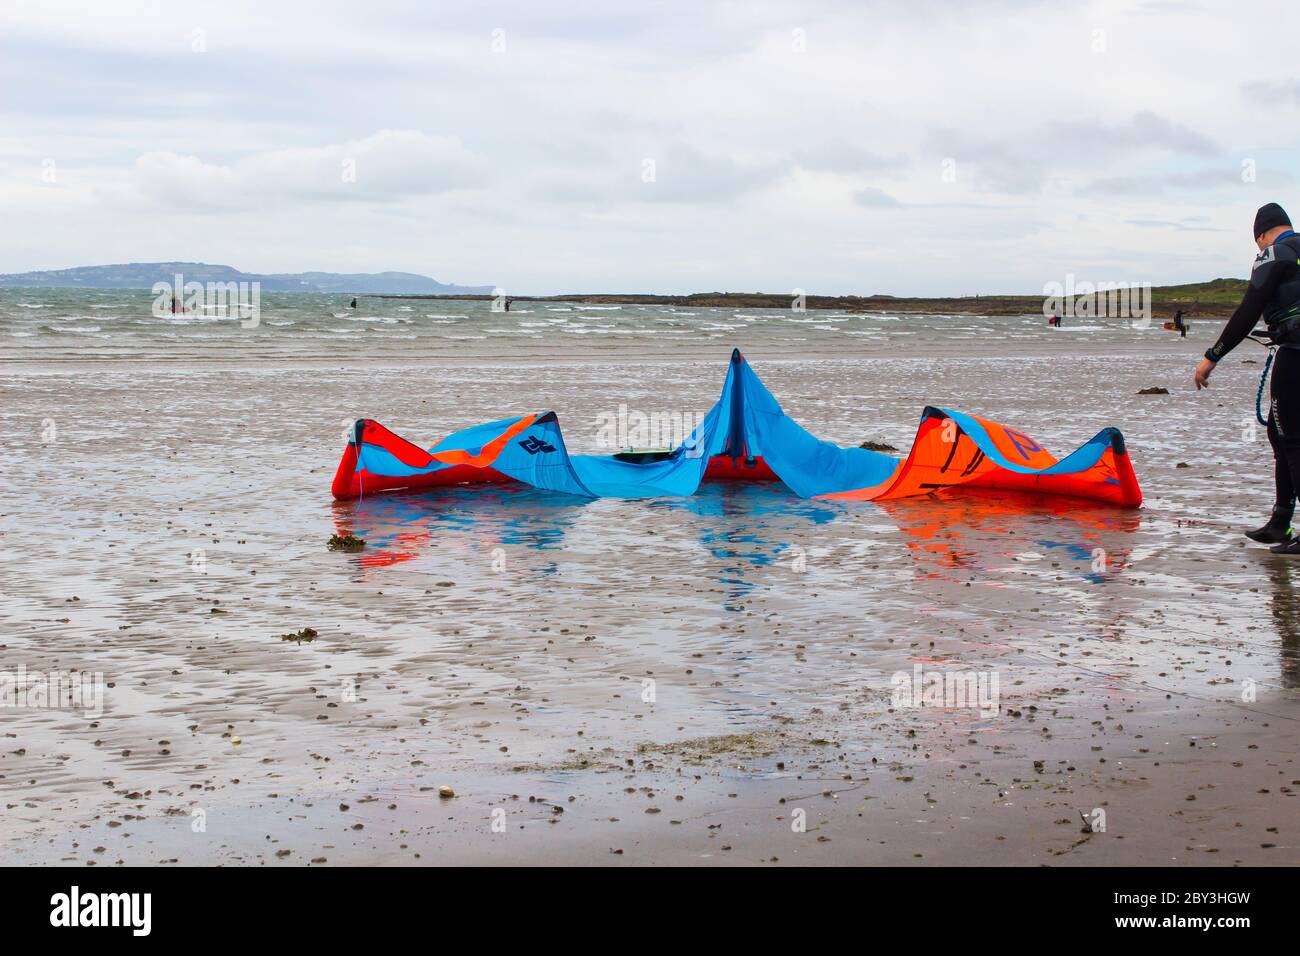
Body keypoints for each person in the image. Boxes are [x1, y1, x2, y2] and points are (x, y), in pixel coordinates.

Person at [1195, 202, 1300, 551]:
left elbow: (1248, 310)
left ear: (1262, 234)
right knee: (1277, 430)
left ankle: (1287, 524)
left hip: (1296, 356)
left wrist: (1213, 356)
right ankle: (1281, 520)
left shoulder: (1273, 254)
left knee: (1292, 439)